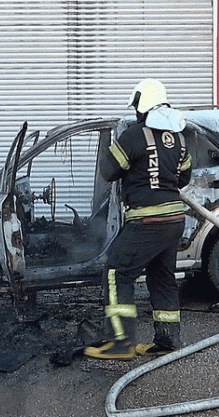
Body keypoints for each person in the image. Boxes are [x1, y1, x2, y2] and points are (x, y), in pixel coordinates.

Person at [84, 79, 192, 360]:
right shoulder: (179, 138)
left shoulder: (134, 136)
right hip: (173, 220)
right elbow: (184, 178)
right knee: (162, 276)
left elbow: (108, 171)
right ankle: (167, 340)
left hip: (146, 221)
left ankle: (121, 343)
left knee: (117, 272)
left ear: (142, 106)